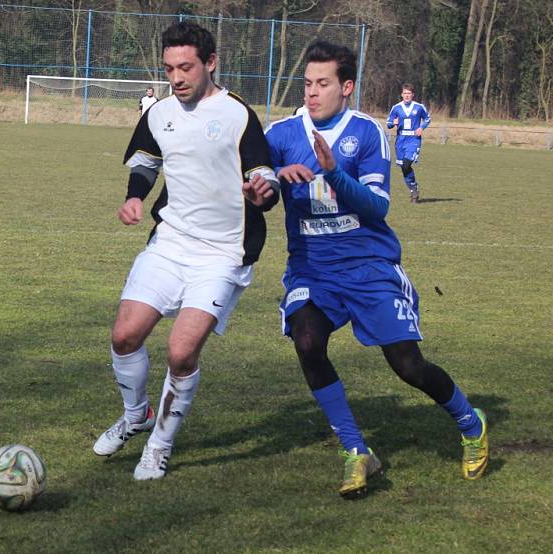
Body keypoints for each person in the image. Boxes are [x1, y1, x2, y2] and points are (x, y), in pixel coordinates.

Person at [262, 41, 487, 499]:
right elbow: (258, 190)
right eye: (307, 83)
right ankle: (356, 449)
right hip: (311, 270)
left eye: (323, 84)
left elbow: (378, 206)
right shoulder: (281, 134)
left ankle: (470, 420)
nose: (312, 92)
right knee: (306, 340)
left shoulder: (365, 132)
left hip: (368, 267)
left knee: (407, 366)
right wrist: (265, 186)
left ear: (346, 87)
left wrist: (334, 174)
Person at [92, 22, 279, 481]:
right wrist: (136, 194)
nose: (177, 78)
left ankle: (159, 445)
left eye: (186, 68)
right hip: (170, 242)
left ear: (211, 63)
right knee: (124, 336)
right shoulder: (158, 113)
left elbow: (266, 176)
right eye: (170, 68)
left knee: (180, 351)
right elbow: (145, 160)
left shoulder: (238, 115)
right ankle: (137, 415)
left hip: (222, 254)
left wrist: (263, 192)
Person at [385, 84, 430, 203]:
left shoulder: (419, 107)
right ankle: (413, 189)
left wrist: (422, 128)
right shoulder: (396, 108)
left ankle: (414, 190)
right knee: (404, 168)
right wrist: (392, 123)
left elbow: (427, 118)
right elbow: (388, 123)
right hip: (400, 141)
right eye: (405, 93)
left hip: (413, 140)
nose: (407, 95)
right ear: (401, 94)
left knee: (406, 164)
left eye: (409, 93)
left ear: (412, 95)